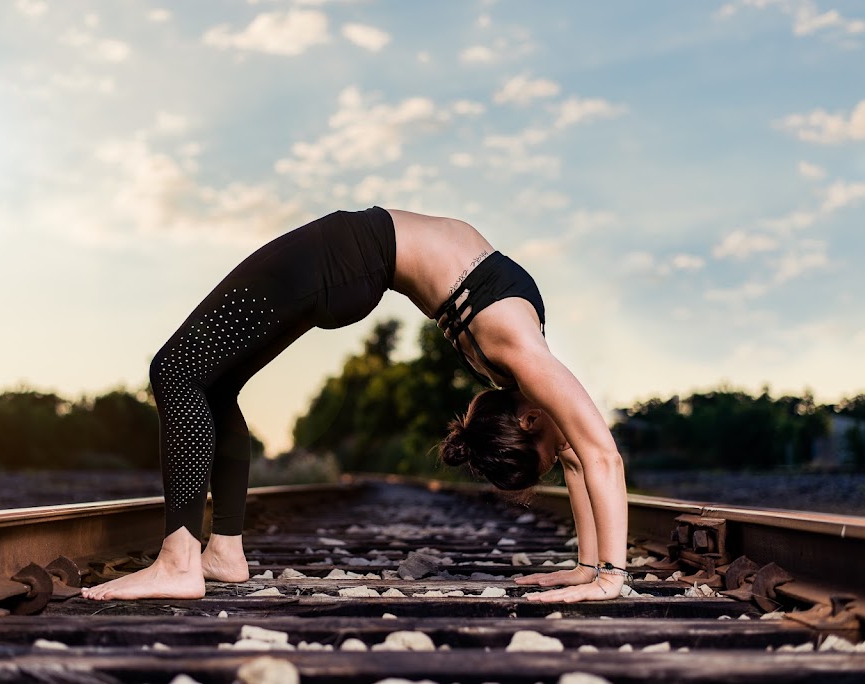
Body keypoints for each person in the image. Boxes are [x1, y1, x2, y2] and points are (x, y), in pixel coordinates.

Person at [82, 207, 628, 603]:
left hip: (345, 256)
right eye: (552, 455)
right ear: (529, 419)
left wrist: (596, 573)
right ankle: (222, 551)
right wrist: (603, 573)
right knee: (210, 381)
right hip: (351, 262)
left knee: (175, 370)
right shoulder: (521, 354)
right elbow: (597, 456)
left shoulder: (515, 360)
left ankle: (180, 561)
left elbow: (589, 458)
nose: (565, 453)